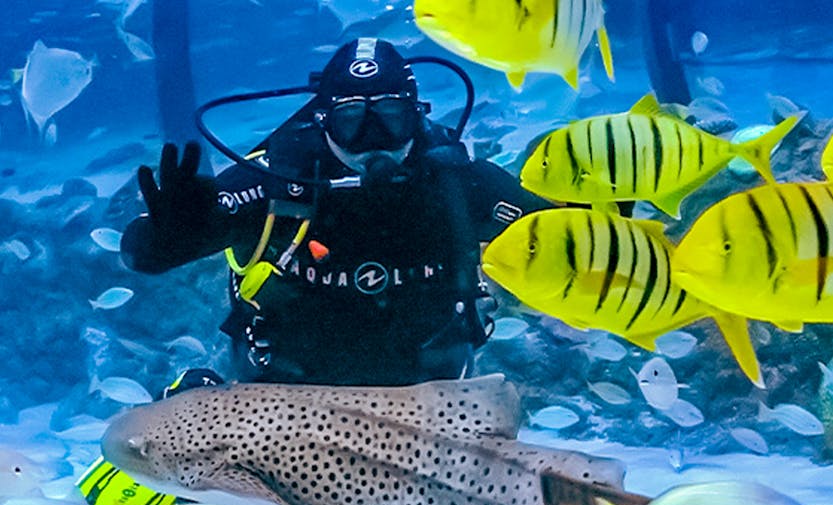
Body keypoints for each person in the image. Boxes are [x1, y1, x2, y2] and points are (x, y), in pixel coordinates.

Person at [120, 37, 552, 386]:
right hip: (283, 395)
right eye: (351, 120)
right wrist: (172, 234)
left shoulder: (457, 184)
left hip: (432, 397)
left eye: (391, 116)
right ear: (323, 121)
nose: (373, 137)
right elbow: (144, 255)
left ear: (417, 116)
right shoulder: (273, 182)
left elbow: (565, 230)